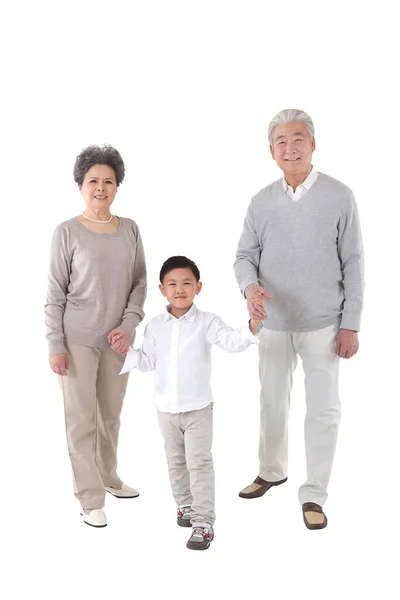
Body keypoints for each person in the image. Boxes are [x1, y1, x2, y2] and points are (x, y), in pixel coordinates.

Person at [234, 109, 364, 529]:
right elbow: (243, 257)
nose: (290, 148)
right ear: (271, 151)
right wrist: (250, 288)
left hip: (325, 322)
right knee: (272, 401)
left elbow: (354, 263)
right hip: (273, 322)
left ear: (312, 144)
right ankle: (271, 471)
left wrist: (351, 323)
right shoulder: (261, 201)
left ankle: (314, 493)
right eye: (281, 141)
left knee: (323, 409)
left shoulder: (339, 196)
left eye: (298, 139)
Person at [120, 256, 261, 549]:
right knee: (175, 462)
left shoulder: (207, 322)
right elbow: (147, 362)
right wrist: (126, 351)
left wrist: (252, 325)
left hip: (198, 408)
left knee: (199, 463)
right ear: (162, 289)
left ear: (198, 287)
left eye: (186, 283)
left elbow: (232, 341)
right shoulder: (155, 326)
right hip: (165, 410)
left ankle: (204, 522)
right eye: (172, 284)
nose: (179, 289)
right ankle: (184, 504)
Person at [45, 144, 147, 528]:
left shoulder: (131, 229)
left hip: (119, 340)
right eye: (93, 181)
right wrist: (56, 345)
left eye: (108, 181)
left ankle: (109, 476)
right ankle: (89, 497)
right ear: (81, 186)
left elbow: (139, 283)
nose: (101, 187)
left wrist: (128, 326)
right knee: (81, 420)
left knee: (111, 418)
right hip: (77, 341)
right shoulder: (66, 232)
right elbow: (54, 294)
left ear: (117, 186)